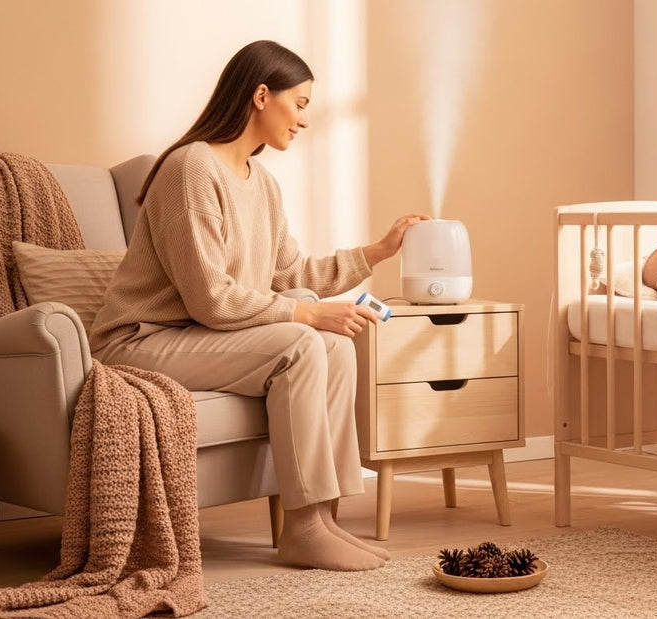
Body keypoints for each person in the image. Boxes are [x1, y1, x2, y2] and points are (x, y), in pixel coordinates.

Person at [90, 40, 427, 571]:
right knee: (300, 340)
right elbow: (210, 298)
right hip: (141, 341)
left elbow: (290, 274)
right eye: (301, 103)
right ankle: (303, 527)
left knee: (334, 346)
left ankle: (324, 519)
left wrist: (378, 252)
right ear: (262, 96)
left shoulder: (263, 184)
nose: (305, 120)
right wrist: (308, 314)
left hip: (201, 339)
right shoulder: (191, 168)